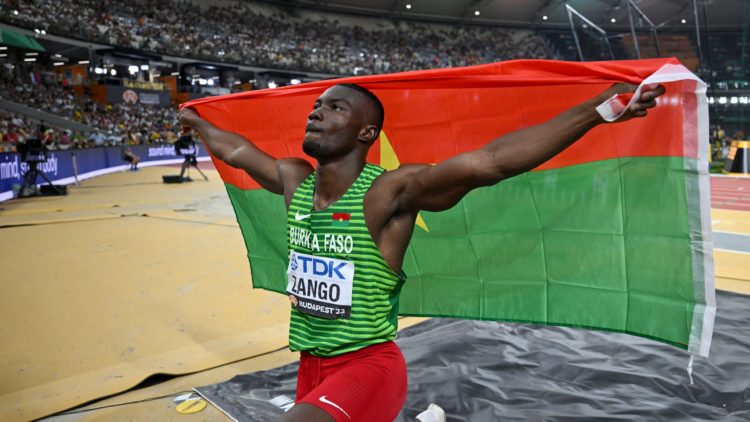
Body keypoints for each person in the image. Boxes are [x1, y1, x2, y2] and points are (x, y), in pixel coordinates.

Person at [178, 82, 665, 422]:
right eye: (316, 105)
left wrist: (597, 111)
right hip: (310, 364)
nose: (316, 111)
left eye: (335, 107)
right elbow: (237, 151)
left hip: (367, 366)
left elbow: (490, 163)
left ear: (366, 133)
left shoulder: (389, 192)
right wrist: (194, 121)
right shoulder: (294, 180)